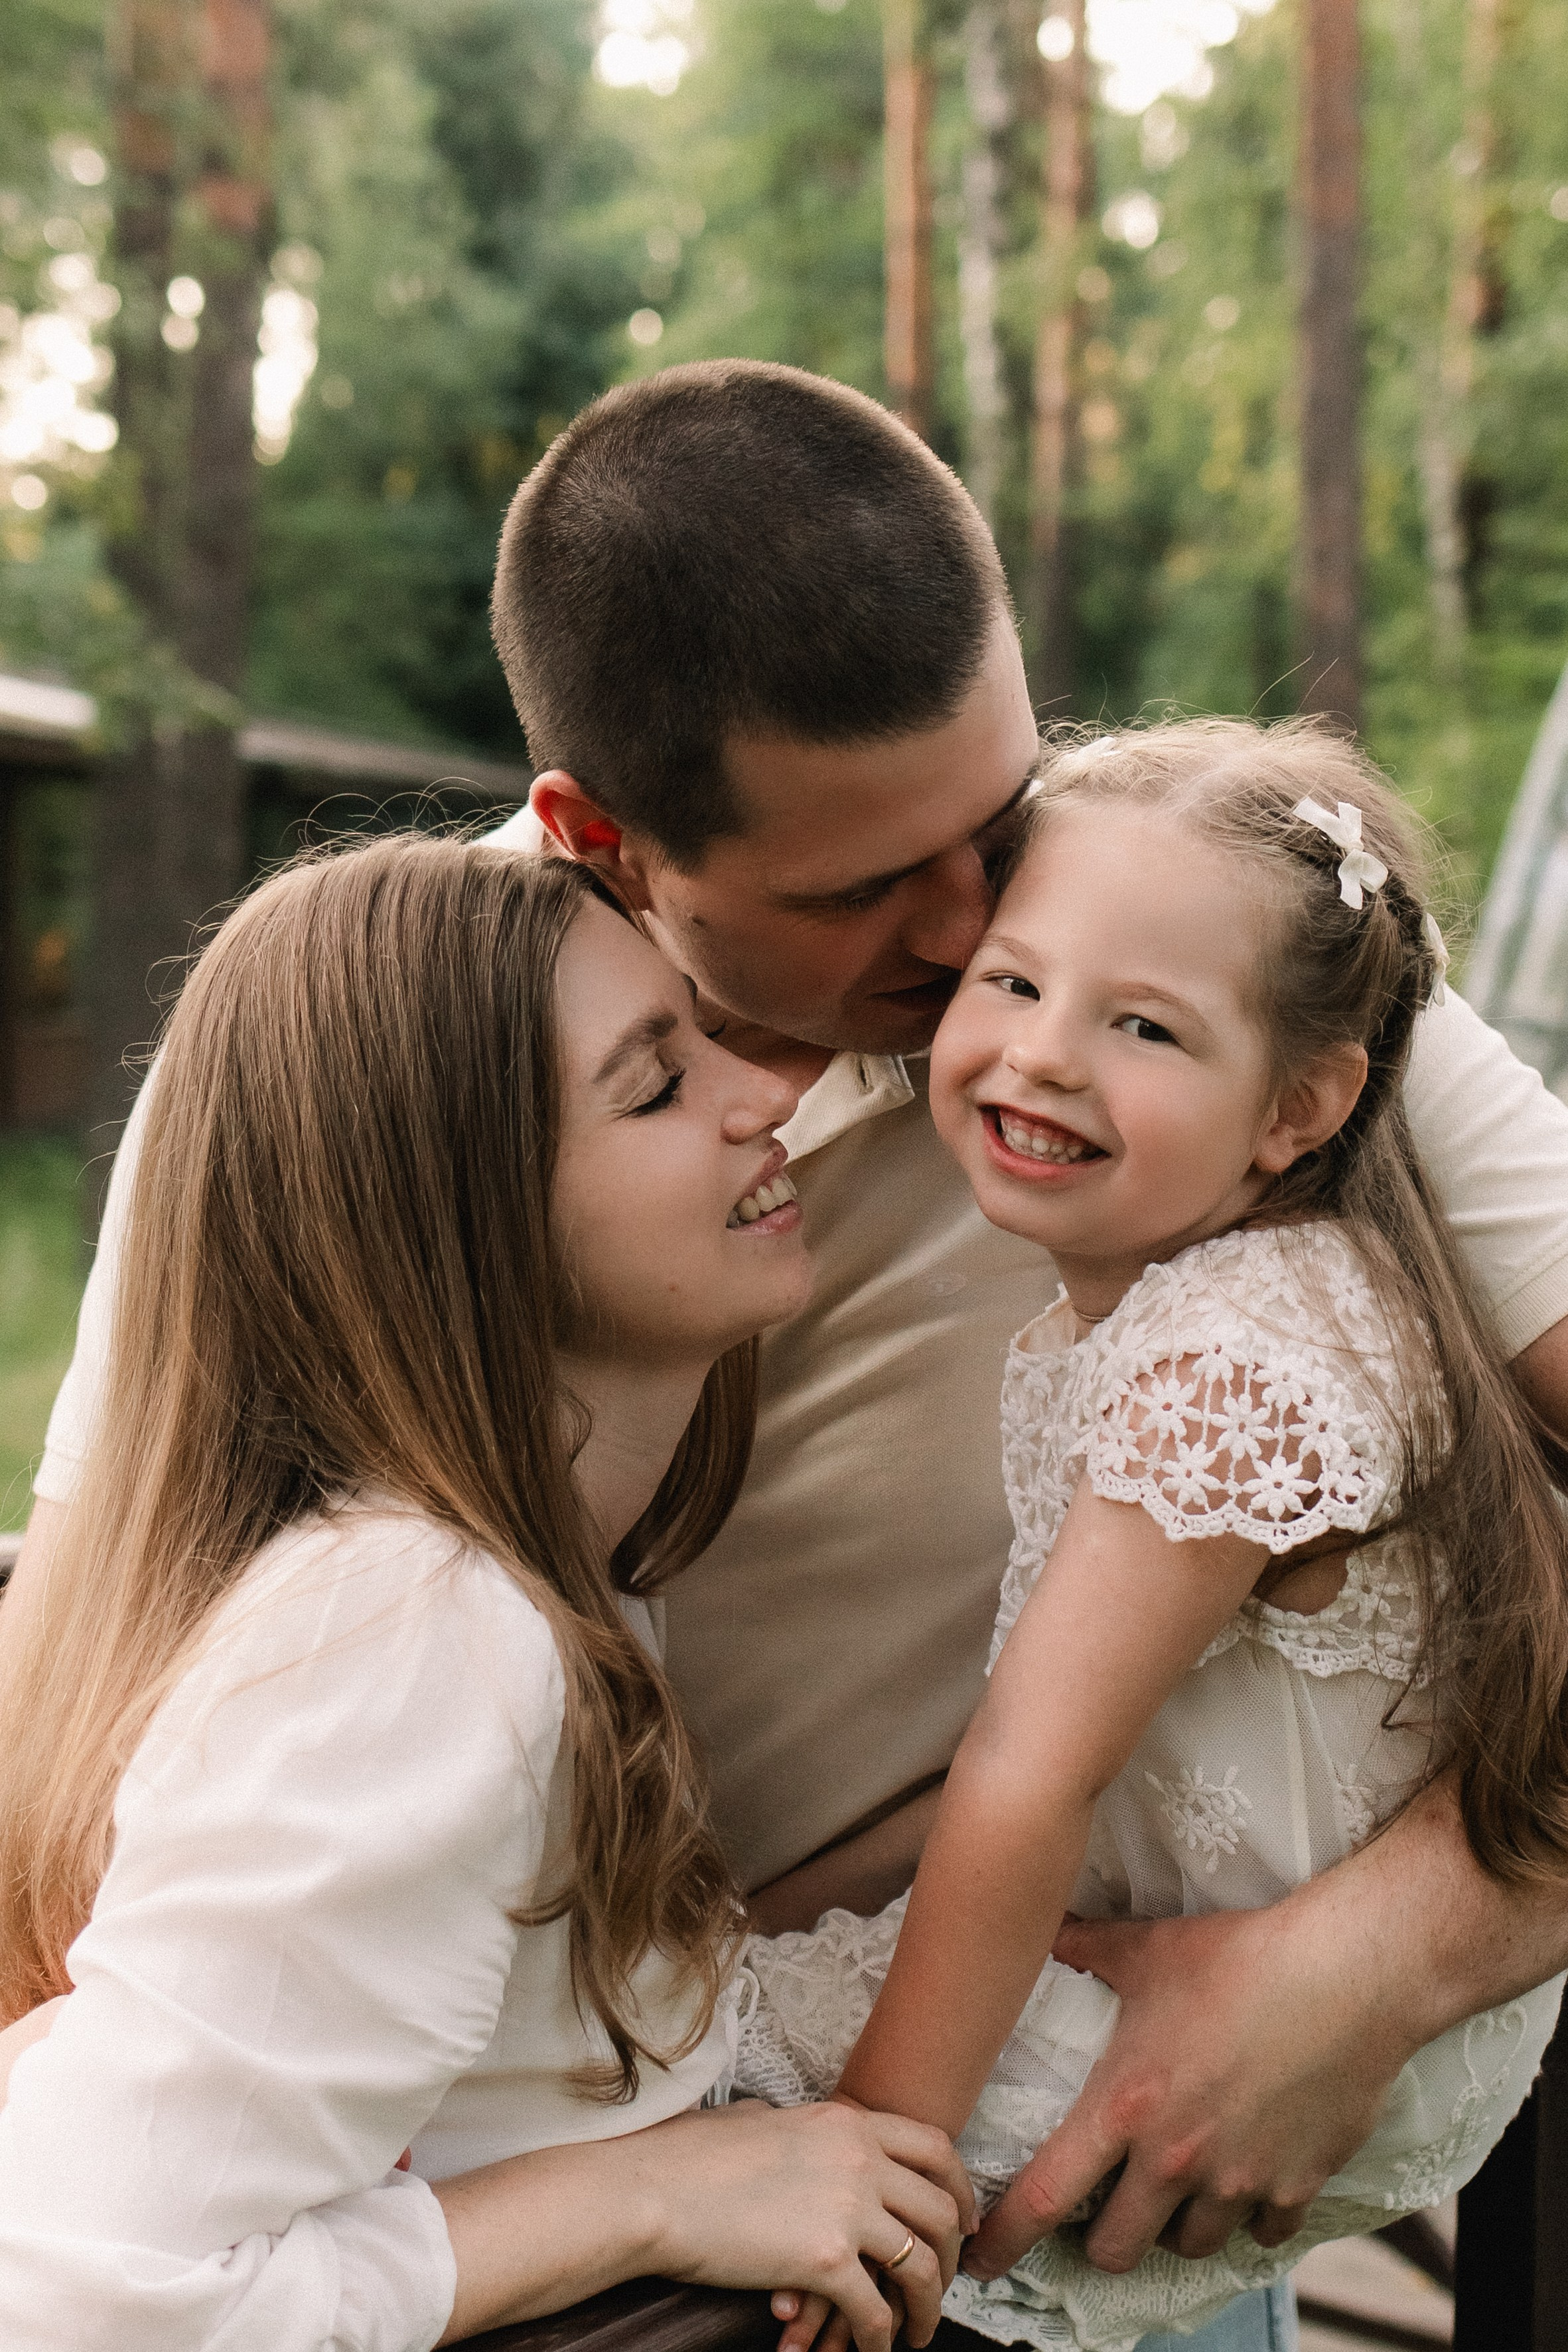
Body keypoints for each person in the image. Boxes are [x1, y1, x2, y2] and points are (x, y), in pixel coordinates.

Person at [20, 361, 1568, 2349]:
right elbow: (93, 1688)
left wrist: (1389, 1950)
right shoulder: (365, 1062)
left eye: (997, 818)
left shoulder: (1196, 946)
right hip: (543, 2219)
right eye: (857, 890)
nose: (973, 930)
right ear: (599, 839)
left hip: (1089, 2125)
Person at [0, 837, 973, 2350]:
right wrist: (645, 2197)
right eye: (654, 1086)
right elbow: (83, 2300)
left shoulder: (532, 1571)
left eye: (707, 1037)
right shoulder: (419, 1629)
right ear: (454, 1217)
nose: (761, 1096)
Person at [727, 721, 1568, 2349]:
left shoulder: (1226, 1356)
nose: (1046, 1055)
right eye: (1015, 983)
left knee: (660, 2082)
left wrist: (875, 2156)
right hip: (1205, 1945)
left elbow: (1028, 1773)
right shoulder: (1219, 1288)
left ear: (1299, 1106)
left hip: (1260, 2016)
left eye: (1144, 1026)